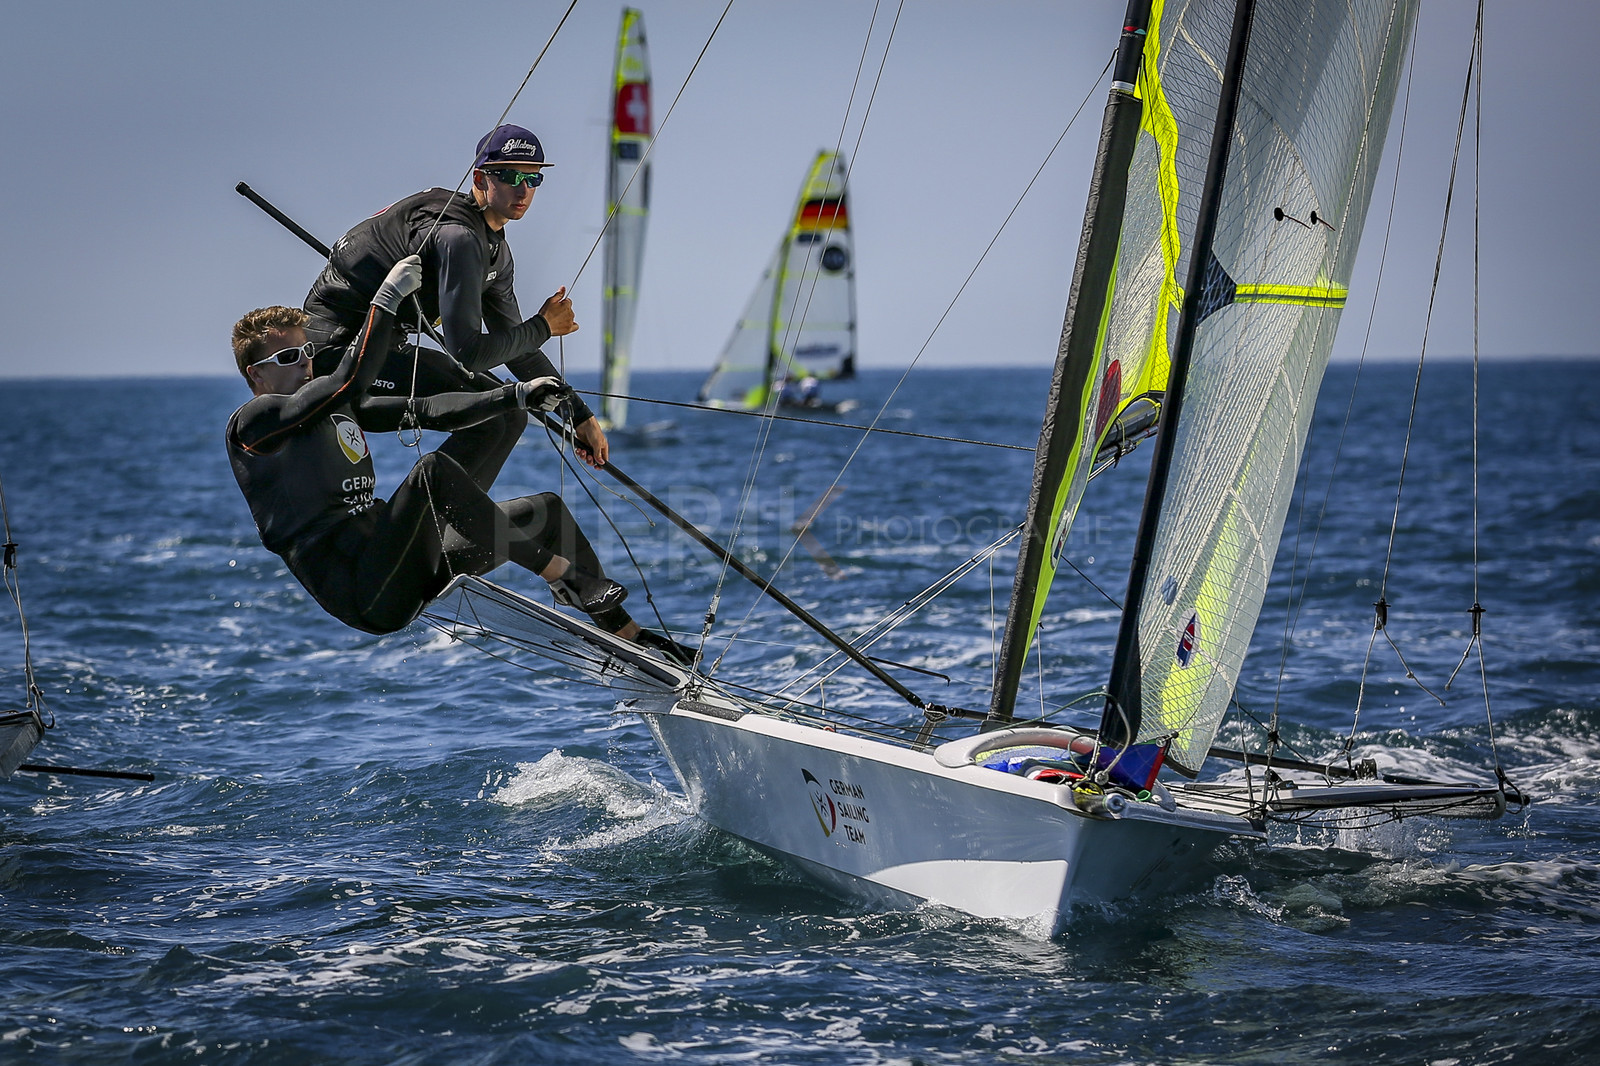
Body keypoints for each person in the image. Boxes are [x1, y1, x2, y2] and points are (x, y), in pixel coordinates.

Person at [226, 255, 690, 663]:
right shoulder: (254, 423)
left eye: (307, 350)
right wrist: (384, 302)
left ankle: (631, 640)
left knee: (547, 513)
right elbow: (347, 378)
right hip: (367, 593)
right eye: (288, 355)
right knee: (432, 473)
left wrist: (516, 396)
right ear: (256, 374)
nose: (306, 362)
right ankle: (564, 577)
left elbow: (428, 409)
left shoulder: (338, 408)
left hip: (406, 563)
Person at [303, 123, 608, 475]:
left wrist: (578, 415)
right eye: (510, 176)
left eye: (533, 179)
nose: (522, 190)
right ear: (480, 179)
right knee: (499, 416)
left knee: (508, 412)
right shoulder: (457, 237)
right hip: (336, 355)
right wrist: (543, 326)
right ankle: (429, 519)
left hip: (382, 347)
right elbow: (469, 353)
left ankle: (442, 518)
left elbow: (517, 349)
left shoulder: (495, 251)